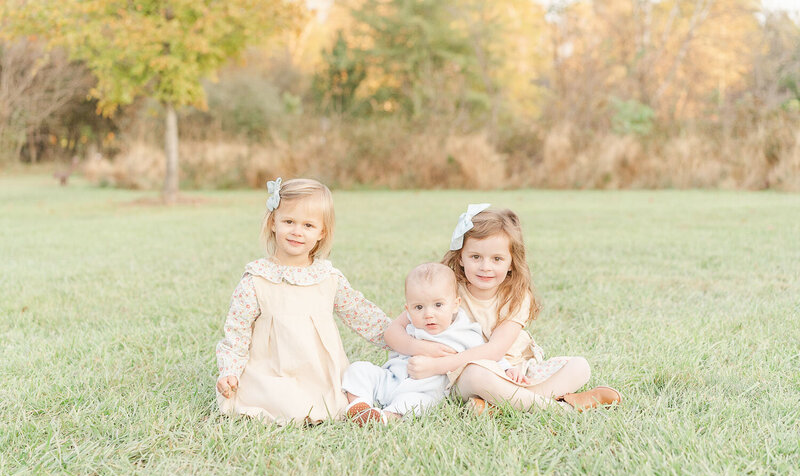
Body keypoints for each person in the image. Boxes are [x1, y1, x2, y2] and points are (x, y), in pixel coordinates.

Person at [384, 204, 621, 413]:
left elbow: (496, 350)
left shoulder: (516, 296)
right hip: (463, 371)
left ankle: (496, 406)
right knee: (478, 374)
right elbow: (392, 332)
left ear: (510, 262)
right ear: (461, 258)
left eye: (497, 259)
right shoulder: (448, 291)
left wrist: (438, 364)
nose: (485, 267)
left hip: (515, 369)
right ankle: (557, 409)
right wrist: (423, 350)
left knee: (580, 366)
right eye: (476, 256)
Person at [215, 177, 391, 425]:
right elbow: (237, 332)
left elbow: (361, 314)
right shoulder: (257, 279)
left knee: (341, 394)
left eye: (308, 225)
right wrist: (229, 371)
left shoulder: (328, 278)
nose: (297, 231)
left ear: (322, 233)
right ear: (273, 223)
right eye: (289, 221)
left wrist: (402, 339)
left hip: (320, 373)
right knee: (284, 404)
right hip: (273, 371)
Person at [342, 262, 510, 425]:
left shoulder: (465, 332)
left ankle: (386, 417)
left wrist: (509, 369)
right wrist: (417, 346)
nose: (428, 314)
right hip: (391, 379)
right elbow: (391, 335)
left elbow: (487, 357)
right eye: (419, 307)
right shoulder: (411, 324)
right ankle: (359, 406)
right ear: (408, 310)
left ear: (455, 305)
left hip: (424, 390)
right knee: (359, 369)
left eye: (438, 305)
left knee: (417, 404)